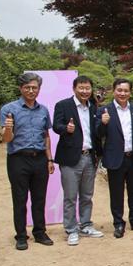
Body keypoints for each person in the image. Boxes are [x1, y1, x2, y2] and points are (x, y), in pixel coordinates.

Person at [0, 72, 55, 250]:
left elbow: (46, 136)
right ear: (21, 88)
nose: (31, 91)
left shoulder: (43, 110)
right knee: (20, 199)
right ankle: (21, 236)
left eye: (34, 88)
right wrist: (9, 128)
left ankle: (39, 232)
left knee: (39, 199)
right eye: (27, 87)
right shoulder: (9, 109)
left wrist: (50, 158)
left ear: (39, 89)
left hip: (40, 159)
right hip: (18, 159)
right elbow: (6, 139)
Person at [52, 75, 103, 246]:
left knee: (87, 195)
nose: (84, 91)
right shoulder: (63, 105)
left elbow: (97, 131)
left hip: (90, 157)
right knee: (70, 197)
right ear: (74, 88)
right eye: (81, 88)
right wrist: (66, 128)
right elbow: (56, 126)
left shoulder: (93, 106)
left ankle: (86, 225)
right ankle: (71, 229)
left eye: (87, 88)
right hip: (70, 158)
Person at [97, 78, 133, 239]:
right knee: (116, 193)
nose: (122, 93)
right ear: (114, 91)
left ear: (130, 93)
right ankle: (119, 223)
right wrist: (103, 123)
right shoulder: (104, 110)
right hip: (115, 158)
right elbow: (97, 135)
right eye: (119, 90)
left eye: (126, 90)